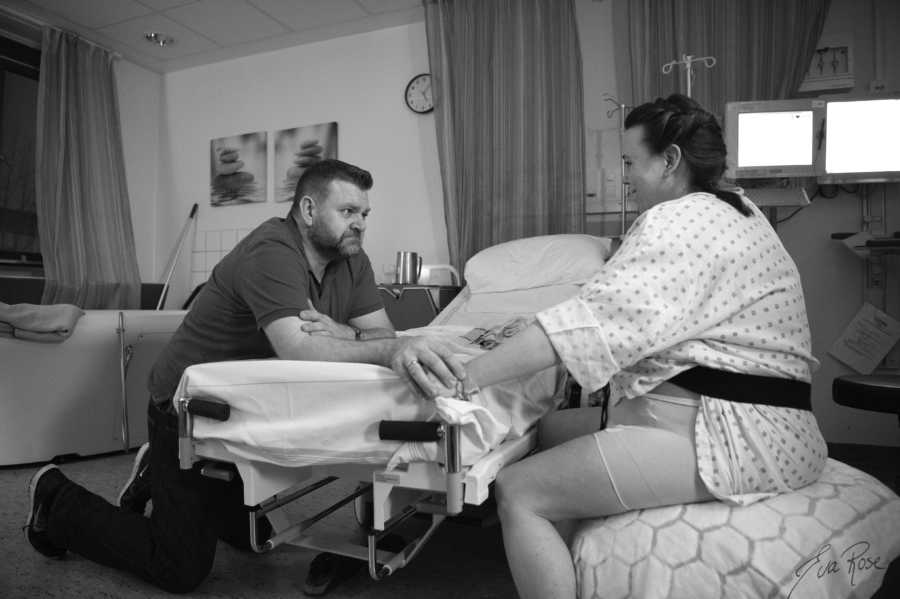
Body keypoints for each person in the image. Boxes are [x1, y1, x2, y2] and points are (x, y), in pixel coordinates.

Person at [402, 94, 828, 599]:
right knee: (553, 426)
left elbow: (583, 330)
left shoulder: (679, 222)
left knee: (518, 491)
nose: (624, 175)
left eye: (630, 161)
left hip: (731, 432)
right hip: (755, 417)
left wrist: (464, 378)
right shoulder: (740, 212)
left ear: (669, 160)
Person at [24, 159, 465, 594]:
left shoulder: (353, 260)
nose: (360, 224)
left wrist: (348, 332)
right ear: (309, 210)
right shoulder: (272, 251)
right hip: (186, 408)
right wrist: (388, 349)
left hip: (244, 409)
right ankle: (56, 497)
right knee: (179, 567)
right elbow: (300, 349)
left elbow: (380, 333)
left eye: (364, 214)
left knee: (250, 538)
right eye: (348, 212)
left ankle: (154, 476)